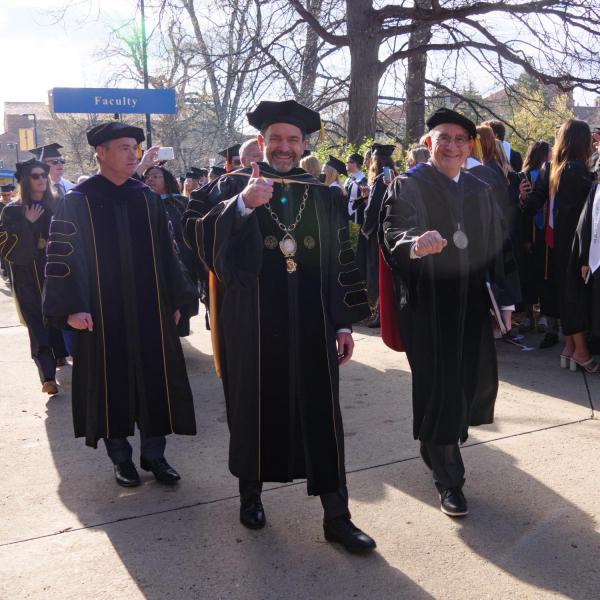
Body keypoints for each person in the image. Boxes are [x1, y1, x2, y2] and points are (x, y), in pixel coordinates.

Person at [184, 99, 375, 554]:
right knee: (253, 406)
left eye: (293, 140)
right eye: (276, 139)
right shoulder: (232, 186)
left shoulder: (326, 194)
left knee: (323, 417)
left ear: (304, 144)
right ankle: (250, 496)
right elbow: (192, 231)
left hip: (313, 322)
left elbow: (341, 261)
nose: (284, 147)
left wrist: (344, 324)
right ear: (262, 143)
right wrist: (242, 207)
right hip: (251, 323)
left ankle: (338, 517)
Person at [42, 121, 198, 487]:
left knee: (154, 379)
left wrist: (175, 298)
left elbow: (167, 250)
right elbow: (62, 258)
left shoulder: (144, 196)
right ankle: (121, 458)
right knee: (111, 383)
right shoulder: (76, 201)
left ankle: (154, 455)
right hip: (100, 312)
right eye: (125, 147)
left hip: (149, 309)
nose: (134, 154)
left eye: (135, 148)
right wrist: (71, 308)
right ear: (101, 152)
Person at [380, 108, 519, 517]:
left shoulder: (480, 188)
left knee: (462, 382)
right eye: (445, 138)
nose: (453, 146)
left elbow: (500, 246)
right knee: (439, 382)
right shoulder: (409, 184)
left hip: (472, 302)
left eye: (461, 139)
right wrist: (414, 245)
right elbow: (393, 231)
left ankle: (434, 444)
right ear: (429, 143)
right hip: (429, 303)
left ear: (470, 145)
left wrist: (505, 301)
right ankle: (449, 478)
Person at [521, 119, 595, 370]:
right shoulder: (580, 173)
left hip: (552, 242)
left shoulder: (550, 167)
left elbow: (532, 204)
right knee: (575, 297)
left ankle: (570, 348)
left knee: (565, 294)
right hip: (576, 244)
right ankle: (580, 351)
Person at [0, 159, 67, 394]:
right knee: (37, 325)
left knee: (60, 318)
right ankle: (47, 377)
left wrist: (49, 243)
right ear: (25, 181)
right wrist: (27, 225)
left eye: (43, 176)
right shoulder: (13, 211)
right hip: (27, 277)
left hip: (57, 274)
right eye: (35, 176)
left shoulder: (57, 204)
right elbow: (10, 251)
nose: (40, 180)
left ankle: (61, 355)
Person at [143, 165, 199, 336]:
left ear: (167, 181)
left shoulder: (181, 202)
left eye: (155, 176)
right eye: (147, 177)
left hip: (183, 258)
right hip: (156, 260)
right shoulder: (144, 203)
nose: (150, 179)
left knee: (181, 298)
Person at [517, 141, 552, 333]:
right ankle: (529, 314)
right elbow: (520, 210)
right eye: (549, 153)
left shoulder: (553, 175)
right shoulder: (523, 176)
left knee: (545, 274)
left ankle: (544, 314)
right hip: (530, 232)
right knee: (528, 275)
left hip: (547, 233)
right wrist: (524, 238)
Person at [362, 144, 397, 328]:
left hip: (380, 234)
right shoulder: (394, 176)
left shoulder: (379, 180)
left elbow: (374, 208)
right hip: (393, 230)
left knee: (378, 273)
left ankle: (380, 314)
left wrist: (365, 229)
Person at [344, 153, 367, 225]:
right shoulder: (348, 179)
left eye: (348, 162)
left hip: (357, 217)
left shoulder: (362, 180)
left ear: (354, 164)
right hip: (346, 215)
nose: (346, 164)